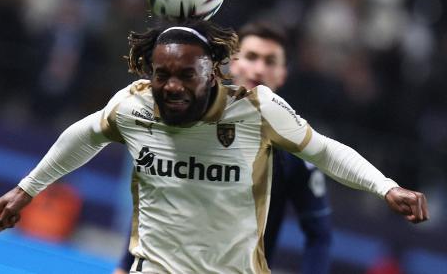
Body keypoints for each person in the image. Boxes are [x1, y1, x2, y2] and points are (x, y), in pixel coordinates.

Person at [0, 20, 428, 274]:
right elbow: (83, 135)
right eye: (162, 74)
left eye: (186, 74)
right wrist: (27, 188)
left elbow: (326, 151)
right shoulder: (134, 105)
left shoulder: (257, 110)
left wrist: (385, 187)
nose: (172, 86)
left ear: (214, 73)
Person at [113, 21, 332, 274]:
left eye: (270, 61)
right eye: (251, 57)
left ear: (283, 74)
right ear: (233, 62)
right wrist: (124, 264)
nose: (259, 68)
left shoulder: (295, 147)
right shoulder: (188, 118)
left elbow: (319, 236)